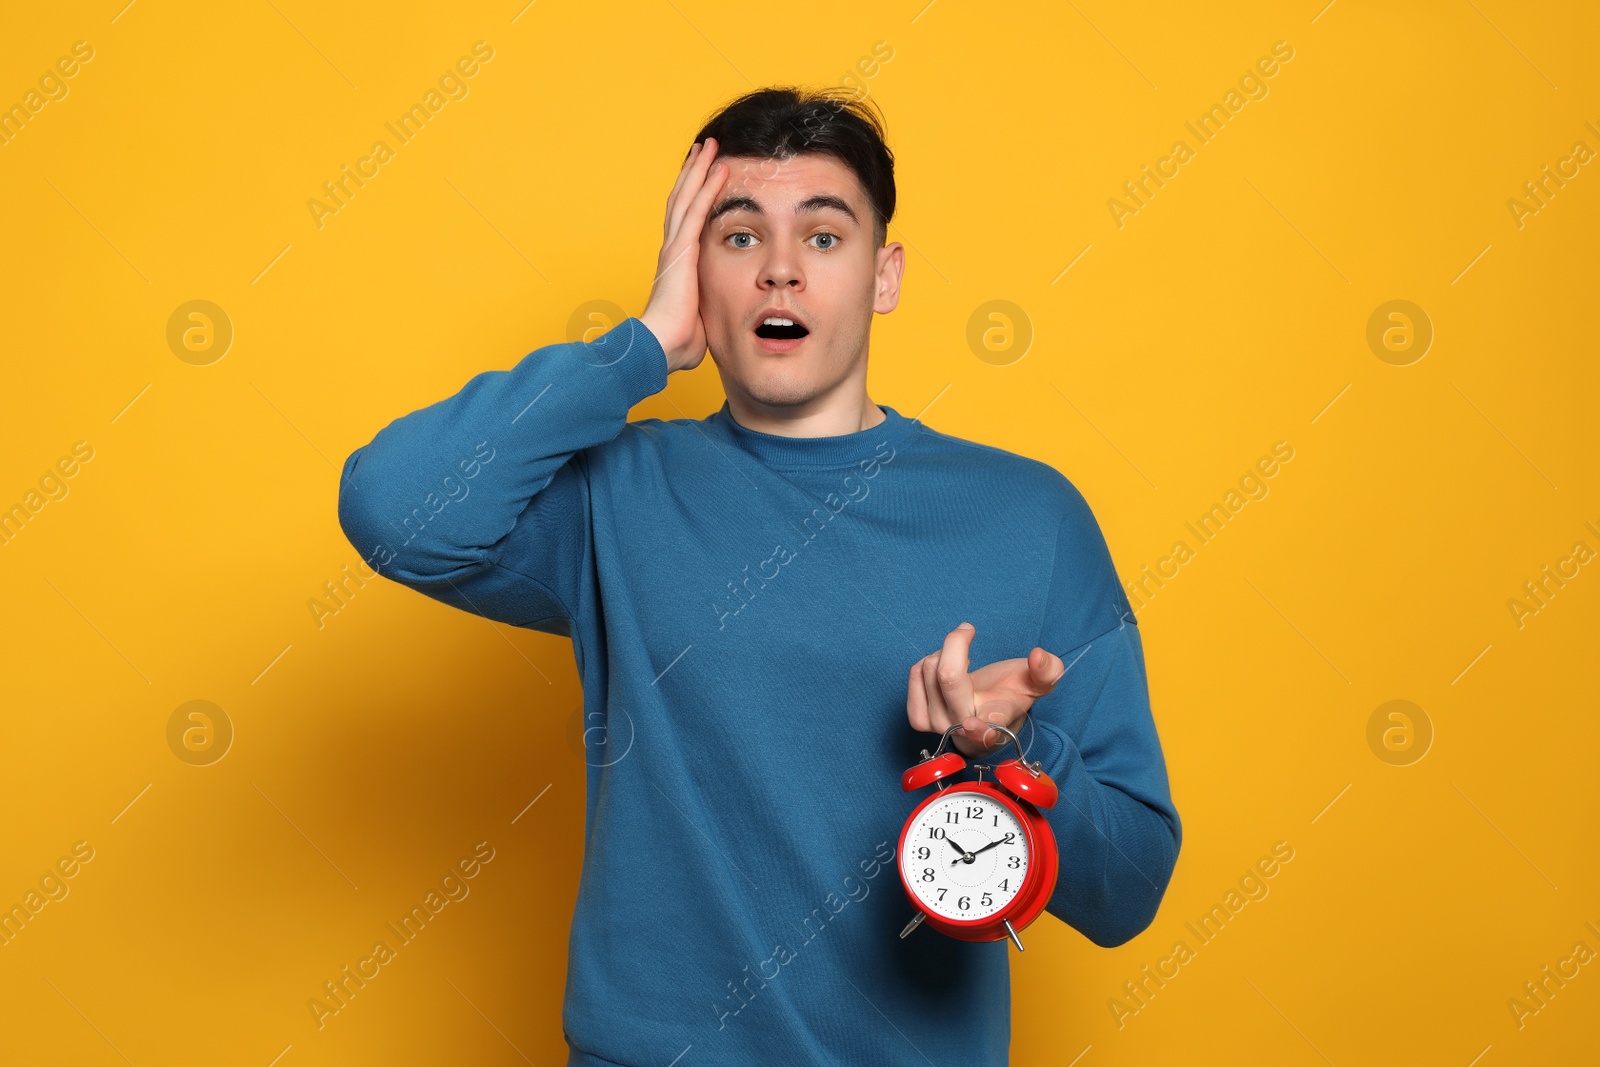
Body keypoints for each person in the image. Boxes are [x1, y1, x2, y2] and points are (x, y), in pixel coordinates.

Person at [337, 85, 1181, 1067]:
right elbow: (394, 511)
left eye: (824, 238)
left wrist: (1015, 750)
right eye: (737, 238)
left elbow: (1131, 886)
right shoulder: (619, 493)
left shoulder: (1029, 517)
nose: (780, 269)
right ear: (695, 270)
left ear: (884, 275)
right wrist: (640, 346)